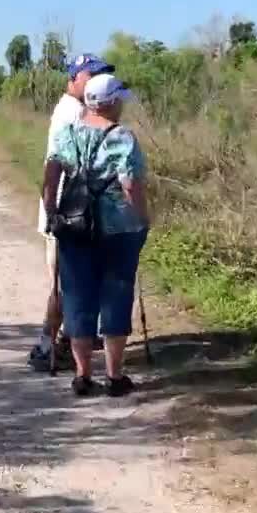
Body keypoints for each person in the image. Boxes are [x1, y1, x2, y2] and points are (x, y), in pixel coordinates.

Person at [42, 73, 149, 397]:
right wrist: (143, 218)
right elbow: (131, 186)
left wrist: (51, 211)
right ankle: (115, 376)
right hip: (119, 228)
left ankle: (82, 374)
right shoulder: (123, 138)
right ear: (111, 102)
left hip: (74, 226)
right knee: (116, 294)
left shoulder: (67, 132)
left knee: (78, 297)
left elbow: (50, 175)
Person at [27, 54, 116, 373]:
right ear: (74, 79)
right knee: (66, 282)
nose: (94, 80)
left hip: (75, 208)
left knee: (73, 279)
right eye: (90, 75)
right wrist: (53, 210)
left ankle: (70, 337)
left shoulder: (74, 108)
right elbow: (56, 167)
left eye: (101, 75)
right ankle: (46, 345)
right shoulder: (73, 111)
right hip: (69, 210)